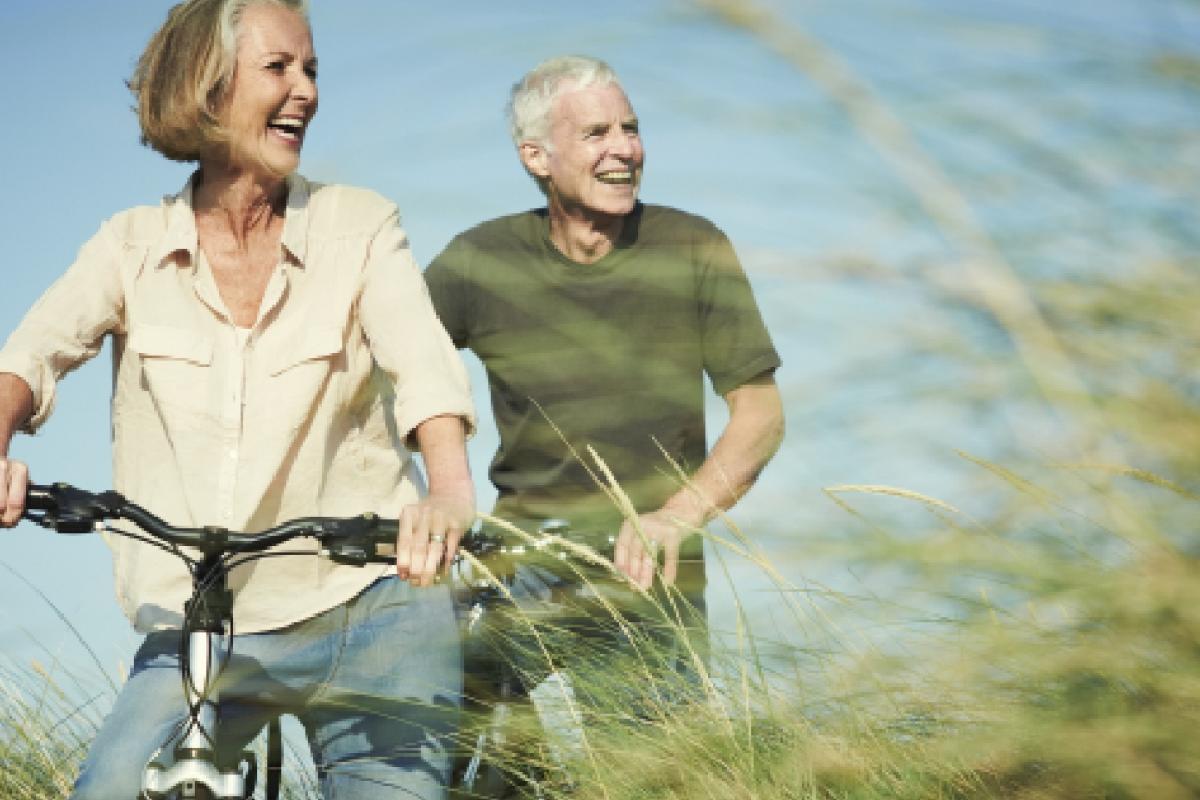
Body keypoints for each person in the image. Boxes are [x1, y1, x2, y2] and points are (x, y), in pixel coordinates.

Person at [0, 1, 475, 798]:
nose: (306, 92)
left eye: (312, 70)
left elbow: (423, 368)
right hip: (202, 620)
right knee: (113, 788)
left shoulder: (358, 226)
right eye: (279, 68)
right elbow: (29, 355)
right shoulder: (130, 245)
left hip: (375, 605)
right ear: (209, 89)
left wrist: (451, 491)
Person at [424, 54, 783, 713]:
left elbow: (760, 415)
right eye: (597, 133)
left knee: (650, 775)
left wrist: (677, 516)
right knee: (443, 733)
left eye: (631, 128)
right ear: (537, 157)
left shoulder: (693, 247)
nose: (625, 149)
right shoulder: (477, 261)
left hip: (644, 567)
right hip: (520, 556)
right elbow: (397, 366)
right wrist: (442, 488)